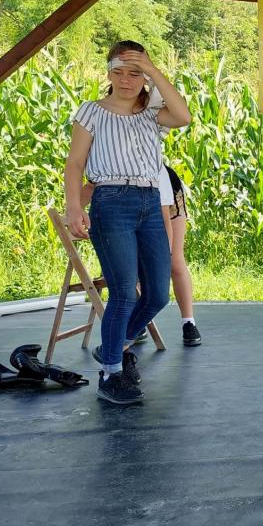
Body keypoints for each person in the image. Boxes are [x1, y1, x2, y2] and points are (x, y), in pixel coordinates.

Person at [64, 41, 191, 405]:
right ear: (107, 73)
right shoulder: (91, 112)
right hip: (111, 201)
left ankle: (114, 349)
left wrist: (152, 70)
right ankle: (111, 374)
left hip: (151, 202)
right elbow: (75, 164)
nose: (126, 79)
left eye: (135, 72)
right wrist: (74, 207)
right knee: (122, 292)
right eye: (118, 71)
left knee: (157, 295)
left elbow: (183, 117)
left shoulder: (152, 113)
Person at [158, 163, 202, 346]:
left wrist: (163, 255)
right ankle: (138, 323)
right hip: (133, 201)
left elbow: (165, 219)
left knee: (174, 262)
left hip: (168, 197)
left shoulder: (160, 178)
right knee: (136, 265)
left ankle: (188, 322)